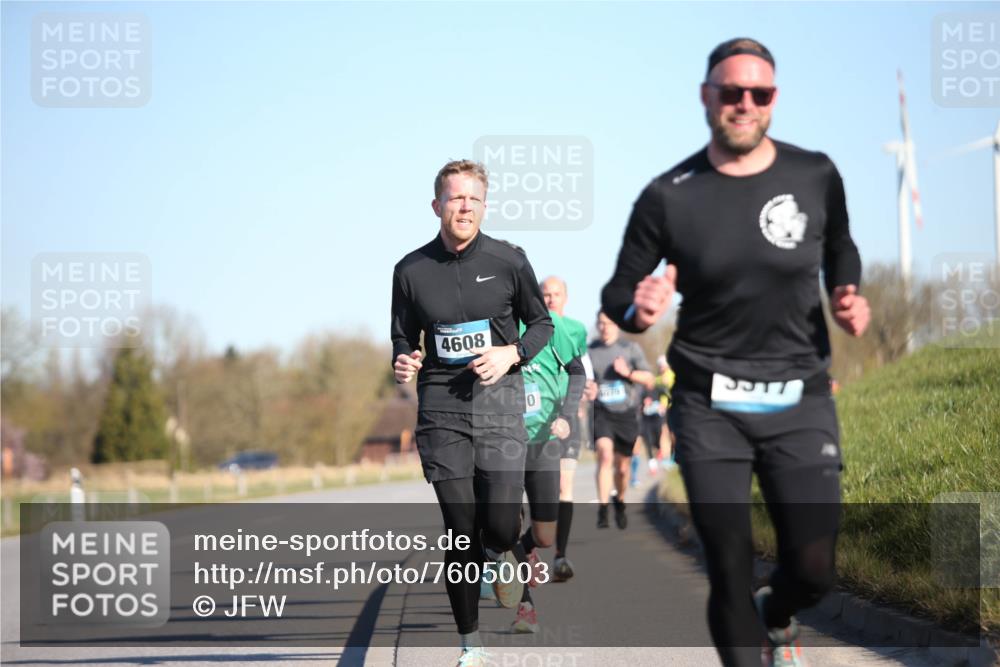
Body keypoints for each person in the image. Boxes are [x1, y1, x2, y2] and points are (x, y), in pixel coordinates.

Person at [600, 38, 870, 667]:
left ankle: (777, 614)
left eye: (760, 94)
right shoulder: (669, 194)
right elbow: (617, 294)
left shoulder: (815, 174)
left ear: (774, 99)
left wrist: (846, 292)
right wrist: (641, 310)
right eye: (731, 93)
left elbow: (842, 247)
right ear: (706, 97)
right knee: (727, 564)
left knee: (814, 568)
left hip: (799, 395)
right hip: (707, 403)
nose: (745, 105)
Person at [391, 159, 553, 667]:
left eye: (473, 199)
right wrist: (403, 358)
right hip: (442, 408)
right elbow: (402, 334)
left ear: (485, 206)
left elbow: (541, 324)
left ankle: (501, 547)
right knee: (460, 529)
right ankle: (471, 646)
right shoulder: (409, 270)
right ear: (436, 206)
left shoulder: (509, 260)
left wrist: (512, 353)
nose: (464, 207)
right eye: (455, 198)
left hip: (501, 404)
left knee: (500, 528)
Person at [506, 271, 587, 633]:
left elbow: (577, 373)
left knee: (544, 536)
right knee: (506, 524)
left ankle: (526, 551)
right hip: (504, 443)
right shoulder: (503, 327)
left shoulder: (557, 331)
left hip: (544, 442)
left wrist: (566, 415)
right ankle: (526, 606)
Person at [539, 276, 594, 582]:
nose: (551, 299)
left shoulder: (575, 330)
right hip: (537, 419)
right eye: (545, 294)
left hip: (567, 418)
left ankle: (560, 556)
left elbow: (583, 370)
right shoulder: (533, 328)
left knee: (564, 487)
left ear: (566, 297)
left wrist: (589, 389)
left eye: (556, 294)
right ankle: (528, 549)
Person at [588, 311, 654, 529]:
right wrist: (589, 388)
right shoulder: (589, 352)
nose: (604, 327)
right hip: (602, 412)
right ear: (597, 325)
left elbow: (649, 379)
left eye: (609, 323)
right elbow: (580, 380)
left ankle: (620, 500)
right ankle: (603, 508)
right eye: (601, 323)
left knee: (623, 468)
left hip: (626, 415)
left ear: (616, 325)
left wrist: (628, 373)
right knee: (605, 456)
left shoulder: (630, 349)